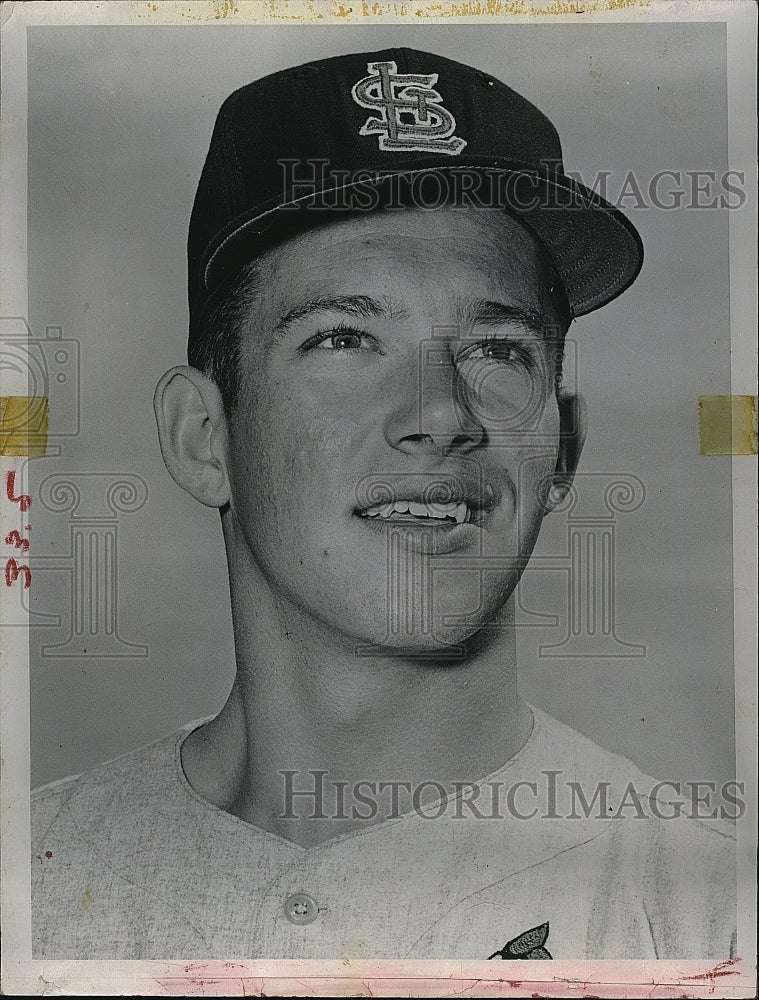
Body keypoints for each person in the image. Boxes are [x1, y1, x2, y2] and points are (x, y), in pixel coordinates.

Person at [32, 47, 735, 960]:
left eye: (497, 350)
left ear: (560, 448)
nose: (439, 414)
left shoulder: (706, 912)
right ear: (204, 438)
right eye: (345, 337)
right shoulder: (33, 875)